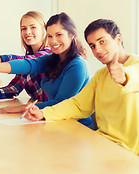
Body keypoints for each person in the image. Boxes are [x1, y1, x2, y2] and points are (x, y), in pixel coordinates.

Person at [24, 19, 139, 155]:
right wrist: (43, 113)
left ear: (118, 39)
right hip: (101, 142)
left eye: (102, 41)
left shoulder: (133, 67)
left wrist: (123, 78)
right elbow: (78, 105)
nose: (98, 50)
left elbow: (133, 77)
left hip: (126, 152)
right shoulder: (100, 75)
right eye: (92, 45)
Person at [0, 12, 93, 127]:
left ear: (72, 35)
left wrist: (23, 108)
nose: (53, 41)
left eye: (59, 35)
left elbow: (61, 103)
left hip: (77, 125)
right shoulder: (52, 59)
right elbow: (27, 65)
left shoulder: (78, 65)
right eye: (50, 36)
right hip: (54, 121)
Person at [0, 11, 51, 101]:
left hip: (53, 112)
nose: (28, 32)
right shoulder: (27, 59)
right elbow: (13, 88)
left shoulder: (48, 53)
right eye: (24, 28)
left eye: (33, 27)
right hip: (39, 110)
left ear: (44, 30)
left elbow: (26, 62)